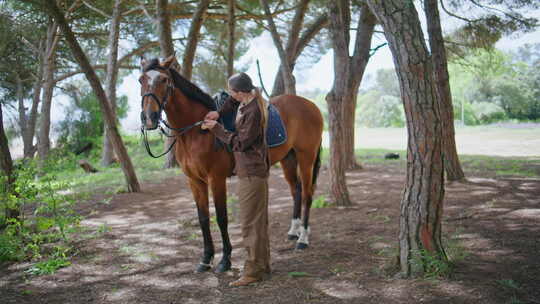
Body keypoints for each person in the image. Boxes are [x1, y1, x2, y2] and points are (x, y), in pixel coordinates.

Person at [202, 72, 270, 287]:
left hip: (250, 173)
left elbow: (240, 143)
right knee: (258, 222)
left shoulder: (254, 112)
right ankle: (262, 265)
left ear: (241, 93)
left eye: (232, 92)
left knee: (249, 224)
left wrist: (218, 130)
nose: (230, 96)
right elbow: (231, 102)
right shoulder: (247, 100)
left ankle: (252, 272)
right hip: (250, 172)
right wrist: (218, 113)